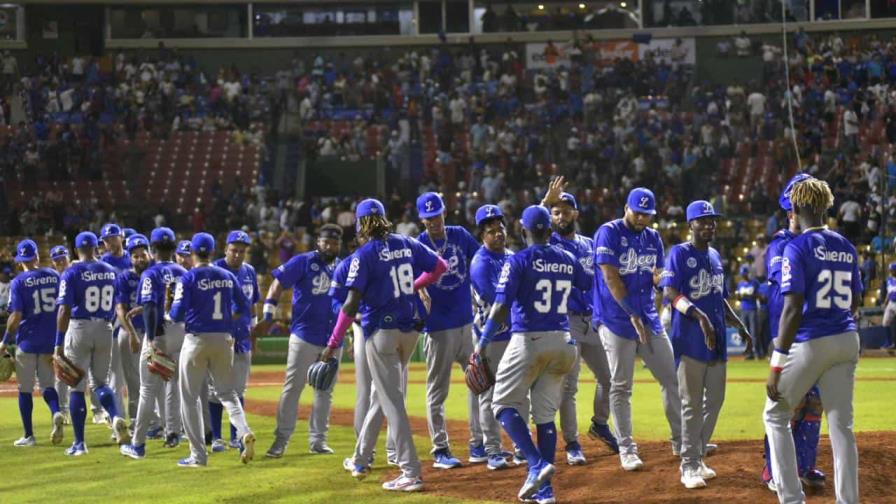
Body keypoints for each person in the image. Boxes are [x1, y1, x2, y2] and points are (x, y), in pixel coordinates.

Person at [323, 198, 447, 492]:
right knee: (382, 395)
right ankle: (361, 457)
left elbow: (351, 304)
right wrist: (414, 287)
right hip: (410, 330)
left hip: (382, 333)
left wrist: (332, 343)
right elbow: (440, 267)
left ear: (360, 223)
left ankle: (410, 471)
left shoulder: (363, 255)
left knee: (392, 401)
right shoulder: (406, 242)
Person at [475, 205, 588, 503]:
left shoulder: (518, 260)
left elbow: (500, 308)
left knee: (501, 404)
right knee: (545, 415)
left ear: (523, 231)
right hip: (564, 342)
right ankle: (545, 491)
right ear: (550, 231)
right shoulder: (568, 257)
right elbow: (587, 284)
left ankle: (536, 464)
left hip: (530, 338)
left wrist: (483, 341)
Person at [764, 177, 861, 504]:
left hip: (811, 340)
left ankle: (791, 498)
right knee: (842, 428)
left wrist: (777, 364)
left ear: (796, 207)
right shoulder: (846, 245)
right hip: (847, 337)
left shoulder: (796, 246)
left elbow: (791, 309)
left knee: (775, 414)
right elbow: (855, 301)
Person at [661, 200, 751, 489]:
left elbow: (720, 296)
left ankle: (698, 456)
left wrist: (739, 324)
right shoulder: (679, 253)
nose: (710, 225)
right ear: (691, 225)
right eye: (703, 220)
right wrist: (698, 316)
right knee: (691, 405)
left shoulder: (714, 255)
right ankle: (688, 465)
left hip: (718, 339)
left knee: (714, 400)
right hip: (689, 339)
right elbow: (670, 292)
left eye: (712, 220)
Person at [593, 187, 682, 470]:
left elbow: (657, 273)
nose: (643, 218)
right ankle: (627, 449)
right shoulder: (609, 232)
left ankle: (682, 440)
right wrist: (632, 313)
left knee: (671, 378)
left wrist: (662, 281)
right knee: (621, 386)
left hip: (648, 318)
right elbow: (610, 276)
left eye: (648, 214)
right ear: (626, 208)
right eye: (638, 212)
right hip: (616, 319)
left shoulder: (653, 237)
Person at [541, 178, 618, 464]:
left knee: (610, 378)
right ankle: (572, 443)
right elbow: (530, 229)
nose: (561, 216)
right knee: (568, 387)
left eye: (566, 210)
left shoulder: (589, 244)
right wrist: (545, 202)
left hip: (594, 320)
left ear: (576, 213)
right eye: (556, 212)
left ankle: (599, 423)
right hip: (567, 320)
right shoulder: (549, 244)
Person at [761, 173, 828, 493]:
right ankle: (773, 470)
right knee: (786, 405)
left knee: (814, 405)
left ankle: (805, 463)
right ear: (791, 212)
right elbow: (786, 294)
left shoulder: (818, 243)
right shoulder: (781, 245)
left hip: (815, 335)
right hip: (789, 335)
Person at [169, 232, 256, 467]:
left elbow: (176, 314)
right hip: (225, 338)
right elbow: (245, 307)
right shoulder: (228, 276)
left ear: (193, 253)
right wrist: (228, 320)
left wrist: (171, 308)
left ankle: (198, 456)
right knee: (228, 393)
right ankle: (243, 431)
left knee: (188, 398)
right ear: (215, 251)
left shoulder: (188, 278)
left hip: (196, 340)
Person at [260, 224, 343, 458]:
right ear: (318, 241)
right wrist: (268, 314)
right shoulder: (303, 261)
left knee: (325, 391)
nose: (330, 246)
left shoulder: (343, 266)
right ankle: (281, 441)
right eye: (326, 241)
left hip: (332, 339)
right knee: (293, 388)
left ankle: (318, 441)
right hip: (304, 335)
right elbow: (277, 284)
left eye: (335, 243)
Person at [415, 192, 484, 467]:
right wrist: (419, 291)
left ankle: (478, 443)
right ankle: (440, 450)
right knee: (437, 391)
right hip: (437, 327)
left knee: (479, 383)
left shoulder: (460, 235)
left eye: (437, 215)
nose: (434, 221)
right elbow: (411, 280)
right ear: (422, 219)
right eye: (428, 217)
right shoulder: (419, 244)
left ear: (445, 212)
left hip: (466, 323)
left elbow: (480, 262)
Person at [55, 231, 130, 456]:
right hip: (105, 327)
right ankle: (117, 417)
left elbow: (64, 309)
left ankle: (79, 443)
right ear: (97, 247)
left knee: (76, 386)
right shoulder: (110, 271)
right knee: (101, 383)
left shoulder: (72, 272)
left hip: (80, 327)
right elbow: (118, 303)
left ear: (76, 250)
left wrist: (58, 343)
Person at [119, 227, 188, 460]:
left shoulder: (150, 273)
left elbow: (150, 307)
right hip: (181, 331)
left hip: (159, 333)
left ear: (153, 248)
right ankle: (173, 433)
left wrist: (150, 339)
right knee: (174, 385)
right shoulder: (182, 270)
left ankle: (137, 445)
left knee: (147, 389)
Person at [1, 239, 64, 447]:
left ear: (20, 262)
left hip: (27, 342)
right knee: (47, 385)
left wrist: (4, 341)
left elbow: (16, 316)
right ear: (37, 257)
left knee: (25, 389)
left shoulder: (19, 282)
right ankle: (56, 412)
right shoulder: (54, 276)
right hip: (49, 340)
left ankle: (29, 435)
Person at [469, 204, 514, 470]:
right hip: (490, 337)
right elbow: (500, 301)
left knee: (517, 393)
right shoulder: (480, 263)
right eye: (491, 231)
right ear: (482, 236)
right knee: (489, 395)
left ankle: (518, 446)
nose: (498, 234)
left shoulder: (510, 256)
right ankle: (492, 451)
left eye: (500, 229)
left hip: (513, 335)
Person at [210, 231, 260, 452]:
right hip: (219, 337)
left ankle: (236, 436)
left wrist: (254, 334)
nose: (238, 254)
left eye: (242, 250)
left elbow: (253, 304)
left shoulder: (249, 271)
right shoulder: (213, 270)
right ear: (225, 249)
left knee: (239, 390)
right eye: (234, 250)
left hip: (242, 339)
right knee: (215, 390)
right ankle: (216, 437)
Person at [114, 234, 151, 426]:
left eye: (142, 254)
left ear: (149, 254)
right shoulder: (124, 277)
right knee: (134, 381)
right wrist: (132, 334)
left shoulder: (155, 273)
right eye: (135, 256)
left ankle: (159, 422)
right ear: (130, 258)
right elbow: (120, 309)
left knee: (156, 379)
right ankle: (138, 420)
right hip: (131, 332)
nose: (139, 259)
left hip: (153, 333)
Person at [49, 245, 72, 422]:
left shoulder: (75, 273)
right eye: (57, 261)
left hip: (79, 326)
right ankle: (63, 409)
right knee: (62, 370)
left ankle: (98, 411)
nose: (60, 262)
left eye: (63, 259)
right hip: (63, 328)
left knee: (89, 372)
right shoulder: (54, 279)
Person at [735, 266, 760, 359]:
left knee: (753, 332)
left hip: (752, 308)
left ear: (747, 274)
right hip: (743, 309)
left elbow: (759, 295)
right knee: (743, 331)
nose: (743, 276)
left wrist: (749, 295)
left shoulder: (754, 282)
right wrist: (739, 296)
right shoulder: (740, 284)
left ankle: (755, 352)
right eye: (742, 275)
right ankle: (749, 352)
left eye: (744, 274)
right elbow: (738, 298)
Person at [883, 263, 896, 349]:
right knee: (885, 322)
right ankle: (889, 343)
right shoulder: (889, 280)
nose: (890, 271)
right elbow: (889, 292)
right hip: (891, 303)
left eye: (892, 270)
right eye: (890, 269)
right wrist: (885, 302)